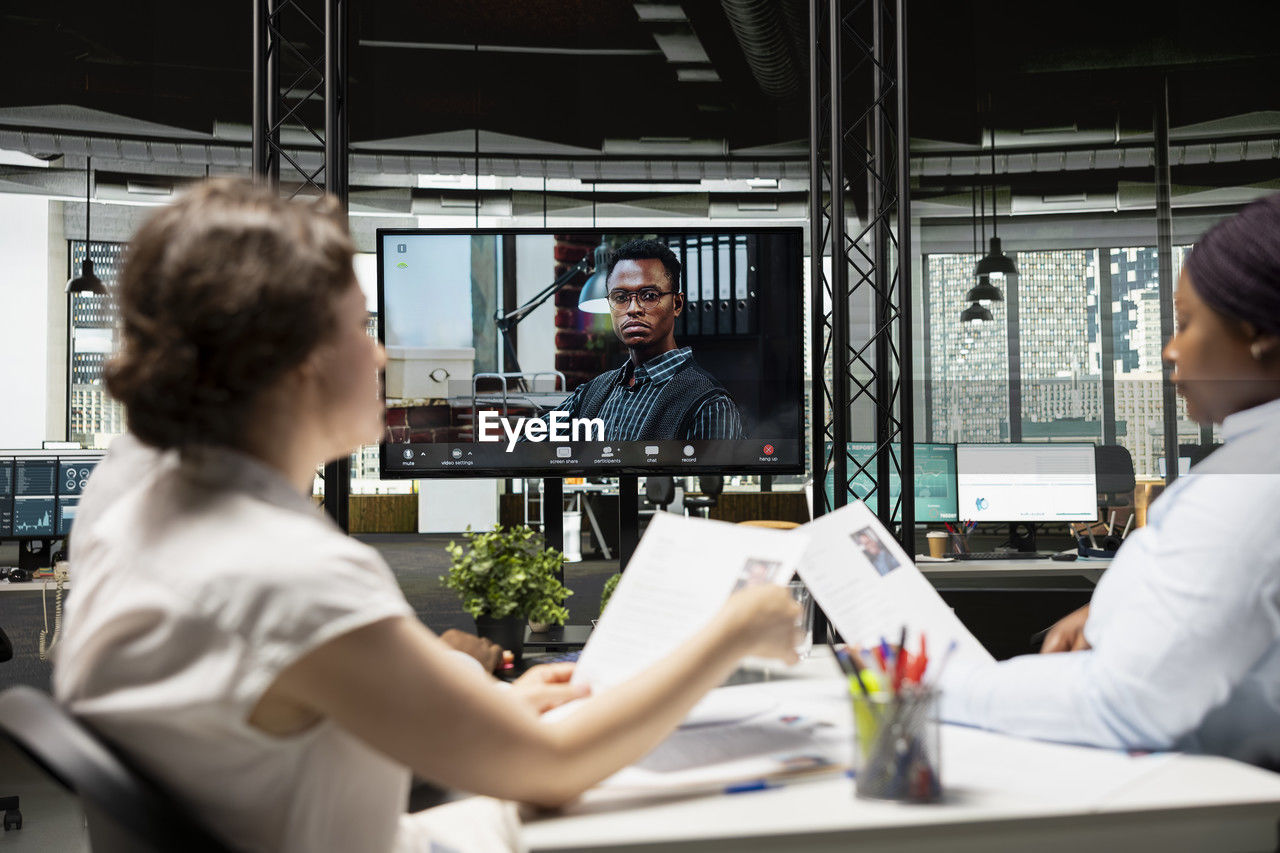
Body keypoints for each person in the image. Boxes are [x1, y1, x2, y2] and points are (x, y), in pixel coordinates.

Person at [51, 180, 802, 853]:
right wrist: (734, 629)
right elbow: (554, 767)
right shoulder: (287, 573)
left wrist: (485, 702)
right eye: (359, 327)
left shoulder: (131, 494)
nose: (380, 356)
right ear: (297, 360)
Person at [938, 193, 1280, 767]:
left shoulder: (1249, 484)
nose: (1170, 351)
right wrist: (1114, 614)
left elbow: (1128, 702)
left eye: (1186, 324)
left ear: (1259, 333)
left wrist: (930, 684)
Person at [541, 239, 745, 441]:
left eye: (649, 296)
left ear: (677, 304)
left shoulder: (709, 405)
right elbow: (528, 444)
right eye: (620, 297)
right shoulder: (592, 392)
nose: (633, 309)